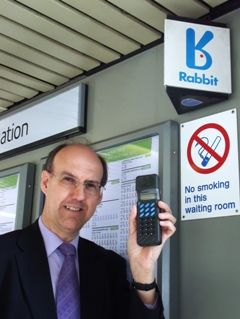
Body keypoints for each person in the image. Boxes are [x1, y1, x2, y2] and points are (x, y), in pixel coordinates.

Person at [0, 143, 176, 319]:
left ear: (99, 197)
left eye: (90, 185)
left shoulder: (110, 266)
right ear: (45, 182)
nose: (79, 196)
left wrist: (142, 270)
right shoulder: (4, 253)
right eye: (68, 179)